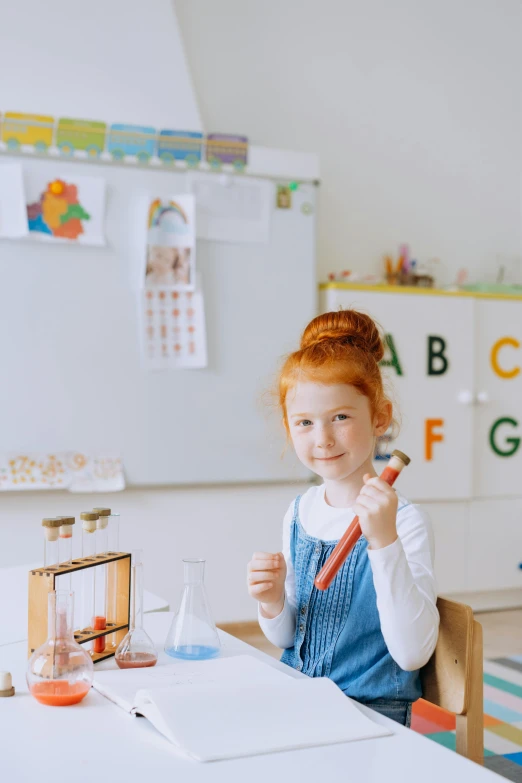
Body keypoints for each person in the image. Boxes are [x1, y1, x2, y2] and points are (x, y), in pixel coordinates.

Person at [247, 310, 439, 726]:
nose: (323, 439)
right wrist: (272, 601)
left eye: (341, 417)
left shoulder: (405, 521)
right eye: (304, 422)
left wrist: (384, 541)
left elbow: (411, 654)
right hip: (298, 702)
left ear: (379, 417)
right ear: (288, 427)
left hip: (370, 716)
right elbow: (287, 640)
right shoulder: (299, 512)